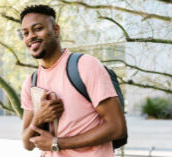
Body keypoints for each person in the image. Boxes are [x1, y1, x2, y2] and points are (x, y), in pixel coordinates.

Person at [20, 5, 127, 157]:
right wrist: (39, 117)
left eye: (37, 28)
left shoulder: (85, 65)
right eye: (25, 33)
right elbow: (27, 143)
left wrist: (57, 143)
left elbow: (116, 127)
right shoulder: (31, 82)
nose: (30, 36)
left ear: (56, 30)